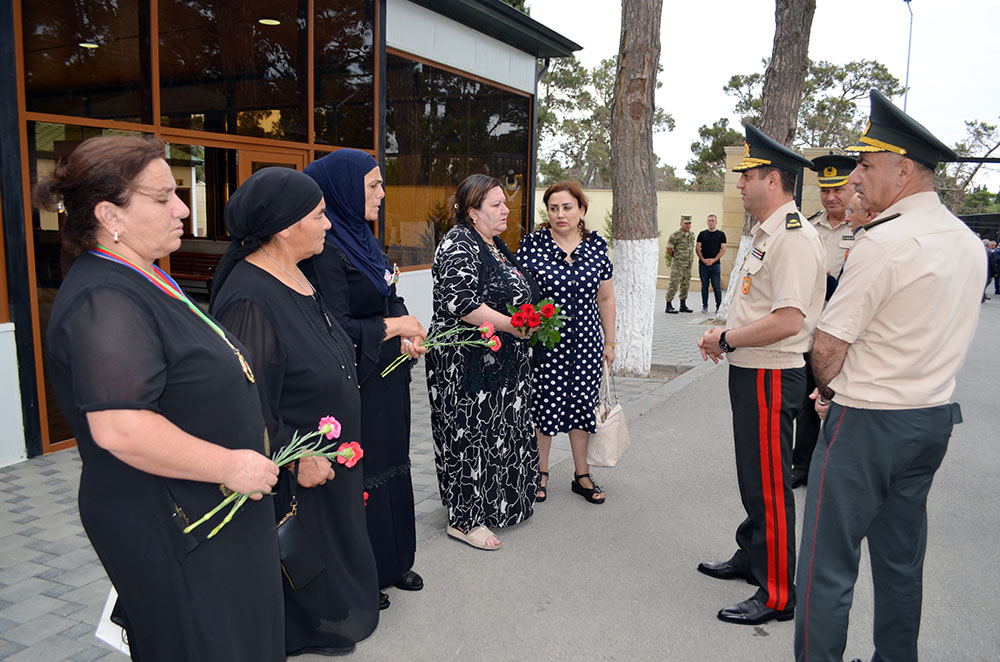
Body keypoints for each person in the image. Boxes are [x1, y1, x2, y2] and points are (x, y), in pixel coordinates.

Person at [39, 136, 284, 662]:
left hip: (205, 509)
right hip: (174, 524)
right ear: (110, 215)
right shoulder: (105, 297)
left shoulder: (142, 273)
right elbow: (120, 426)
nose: (183, 208)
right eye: (162, 197)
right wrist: (230, 464)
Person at [795, 90, 986, 662]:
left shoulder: (885, 242)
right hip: (930, 420)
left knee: (827, 566)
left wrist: (828, 392)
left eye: (866, 165)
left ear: (903, 172)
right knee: (902, 561)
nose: (855, 176)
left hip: (867, 423)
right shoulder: (968, 242)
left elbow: (828, 345)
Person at [210, 167, 380, 657]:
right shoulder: (249, 297)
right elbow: (244, 400)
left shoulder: (296, 272)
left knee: (337, 542)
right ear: (284, 227)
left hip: (331, 455)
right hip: (300, 466)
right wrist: (293, 454)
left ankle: (333, 617)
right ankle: (307, 629)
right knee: (305, 553)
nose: (329, 225)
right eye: (320, 216)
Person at [696, 124, 825, 626]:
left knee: (769, 483)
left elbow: (789, 320)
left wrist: (727, 339)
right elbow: (756, 306)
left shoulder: (792, 237)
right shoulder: (767, 233)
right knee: (755, 476)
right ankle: (754, 555)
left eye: (746, 176)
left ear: (772, 180)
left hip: (773, 374)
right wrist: (723, 331)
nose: (739, 185)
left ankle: (777, 594)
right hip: (753, 370)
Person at [303, 149, 427, 597]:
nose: (382, 193)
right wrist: (395, 327)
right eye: (373, 185)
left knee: (394, 462)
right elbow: (333, 326)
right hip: (358, 380)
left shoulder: (364, 239)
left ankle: (395, 562)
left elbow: (387, 294)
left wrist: (409, 330)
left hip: (388, 373)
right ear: (344, 189)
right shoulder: (325, 250)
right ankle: (366, 572)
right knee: (365, 471)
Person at [426, 174, 540, 550]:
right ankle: (464, 519)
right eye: (495, 204)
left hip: (503, 359)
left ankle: (499, 505)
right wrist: (512, 325)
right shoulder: (458, 243)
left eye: (504, 202)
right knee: (469, 437)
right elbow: (463, 304)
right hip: (466, 362)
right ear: (472, 212)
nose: (506, 208)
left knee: (500, 434)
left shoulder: (494, 244)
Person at [516, 181, 616, 505]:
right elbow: (519, 293)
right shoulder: (532, 245)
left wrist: (609, 342)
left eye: (567, 207)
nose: (560, 214)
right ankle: (539, 473)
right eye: (554, 208)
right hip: (546, 345)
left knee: (582, 408)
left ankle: (581, 474)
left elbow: (606, 297)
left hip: (587, 342)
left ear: (581, 210)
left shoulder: (597, 246)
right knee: (544, 406)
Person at [790, 153, 858, 489]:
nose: (831, 197)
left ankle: (835, 465)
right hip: (811, 330)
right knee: (806, 402)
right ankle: (802, 464)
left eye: (839, 189)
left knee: (839, 401)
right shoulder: (809, 226)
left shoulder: (862, 228)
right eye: (825, 190)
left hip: (845, 334)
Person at [695, 214, 727, 314]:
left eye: (713, 220)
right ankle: (705, 306)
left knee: (716, 286)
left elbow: (723, 249)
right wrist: (703, 259)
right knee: (704, 286)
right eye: (709, 220)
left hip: (715, 265)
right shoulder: (702, 234)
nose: (711, 222)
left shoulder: (721, 235)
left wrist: (714, 260)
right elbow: (697, 248)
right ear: (707, 222)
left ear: (716, 222)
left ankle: (719, 306)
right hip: (703, 265)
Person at [664, 215, 695, 313]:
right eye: (685, 223)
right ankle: (668, 305)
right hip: (678, 265)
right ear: (681, 223)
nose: (687, 225)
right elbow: (669, 249)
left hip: (688, 265)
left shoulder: (692, 235)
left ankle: (683, 305)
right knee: (674, 284)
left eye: (689, 223)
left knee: (685, 285)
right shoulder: (675, 235)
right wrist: (677, 257)